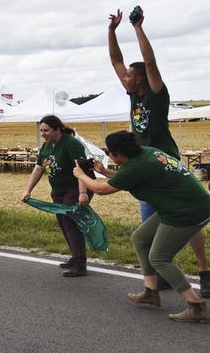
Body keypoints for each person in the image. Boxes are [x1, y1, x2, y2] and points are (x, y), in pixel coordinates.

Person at [108, 7, 209, 296]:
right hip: (144, 166)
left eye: (129, 74)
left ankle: (204, 271)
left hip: (164, 164)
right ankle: (159, 277)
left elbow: (150, 62)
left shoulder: (155, 92)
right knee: (149, 226)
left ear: (138, 78)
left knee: (185, 220)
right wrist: (111, 32)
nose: (124, 76)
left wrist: (138, 28)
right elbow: (116, 60)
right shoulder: (133, 94)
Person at [74, 131, 210, 323]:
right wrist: (104, 172)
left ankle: (196, 307)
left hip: (187, 211)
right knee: (140, 238)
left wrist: (80, 174)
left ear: (119, 154)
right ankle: (151, 292)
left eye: (109, 152)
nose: (109, 155)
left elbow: (101, 190)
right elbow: (130, 177)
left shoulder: (138, 166)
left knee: (159, 258)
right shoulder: (147, 152)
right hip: (182, 205)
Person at [20, 115, 90, 276]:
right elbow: (39, 168)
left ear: (57, 129)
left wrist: (82, 193)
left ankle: (80, 263)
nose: (43, 134)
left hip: (75, 186)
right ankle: (76, 256)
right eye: (41, 131)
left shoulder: (71, 144)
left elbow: (82, 169)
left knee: (70, 221)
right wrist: (28, 190)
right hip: (58, 189)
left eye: (46, 130)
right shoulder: (46, 146)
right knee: (62, 221)